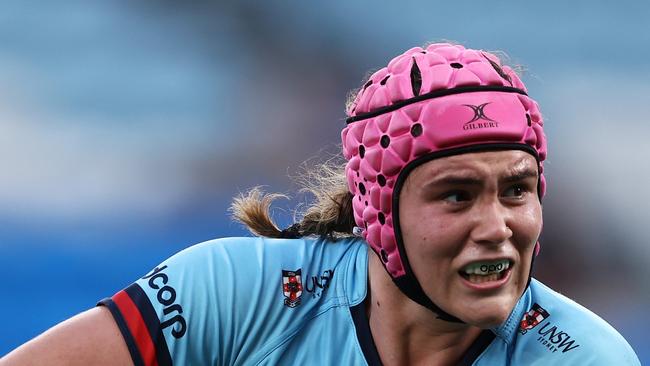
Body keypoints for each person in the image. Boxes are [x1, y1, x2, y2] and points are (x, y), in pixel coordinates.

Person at [1, 43, 640, 366]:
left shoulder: (581, 356)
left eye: (516, 191)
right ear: (378, 211)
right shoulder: (233, 294)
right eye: (456, 195)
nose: (497, 228)